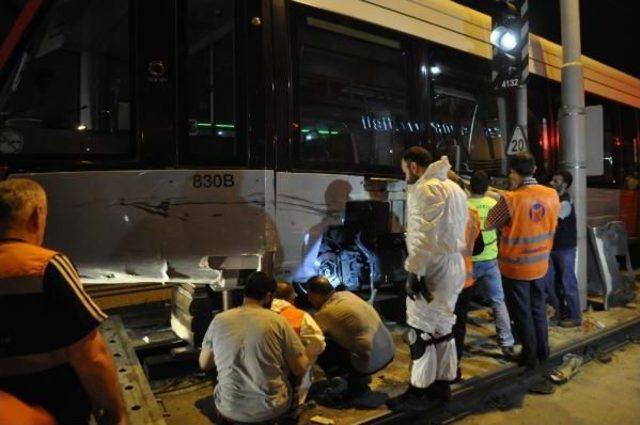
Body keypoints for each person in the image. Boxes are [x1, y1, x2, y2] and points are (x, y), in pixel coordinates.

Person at [0, 179, 126, 425]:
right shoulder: (44, 265)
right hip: (54, 407)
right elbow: (91, 356)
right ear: (37, 216)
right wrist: (114, 411)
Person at [387, 147, 467, 411]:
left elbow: (424, 236)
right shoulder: (454, 188)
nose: (404, 175)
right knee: (443, 328)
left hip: (433, 266)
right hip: (454, 264)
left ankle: (418, 391)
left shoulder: (425, 189)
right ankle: (442, 387)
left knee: (420, 330)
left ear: (412, 165)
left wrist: (414, 271)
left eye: (404, 169)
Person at [486, 153, 559, 394]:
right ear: (535, 168)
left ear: (515, 173)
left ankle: (530, 357)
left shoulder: (511, 199)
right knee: (538, 310)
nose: (509, 177)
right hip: (541, 265)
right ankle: (542, 352)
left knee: (523, 314)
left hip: (516, 267)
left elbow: (489, 222)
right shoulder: (551, 194)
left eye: (511, 173)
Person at [199, 272, 309, 424]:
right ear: (269, 296)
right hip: (271, 410)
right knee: (297, 372)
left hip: (228, 408)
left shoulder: (219, 320)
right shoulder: (277, 321)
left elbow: (204, 363)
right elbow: (301, 368)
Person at [307, 276, 394, 406]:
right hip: (388, 352)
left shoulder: (326, 313)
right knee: (344, 335)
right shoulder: (346, 295)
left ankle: (354, 387)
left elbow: (310, 338)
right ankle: (360, 379)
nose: (309, 299)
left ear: (316, 294)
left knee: (321, 345)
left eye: (310, 295)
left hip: (371, 361)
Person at [466, 171, 516, 356]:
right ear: (487, 187)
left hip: (469, 263)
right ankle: (507, 343)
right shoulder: (493, 204)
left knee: (459, 303)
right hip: (490, 261)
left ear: (470, 186)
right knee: (498, 302)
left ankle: (454, 340)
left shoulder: (464, 205)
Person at [271, 281, 325, 404]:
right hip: (289, 378)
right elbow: (318, 344)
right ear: (292, 298)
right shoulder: (300, 316)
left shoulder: (257, 315)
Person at [546, 170, 582, 327]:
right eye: (552, 180)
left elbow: (552, 217)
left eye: (556, 181)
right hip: (552, 248)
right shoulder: (555, 198)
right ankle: (559, 313)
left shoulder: (565, 202)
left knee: (567, 282)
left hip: (565, 248)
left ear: (565, 184)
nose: (551, 183)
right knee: (551, 283)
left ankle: (575, 317)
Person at [452, 206, 482, 379]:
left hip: (444, 281)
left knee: (440, 328)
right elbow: (478, 248)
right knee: (458, 325)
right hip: (465, 278)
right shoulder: (472, 213)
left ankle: (440, 372)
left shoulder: (437, 211)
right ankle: (455, 366)